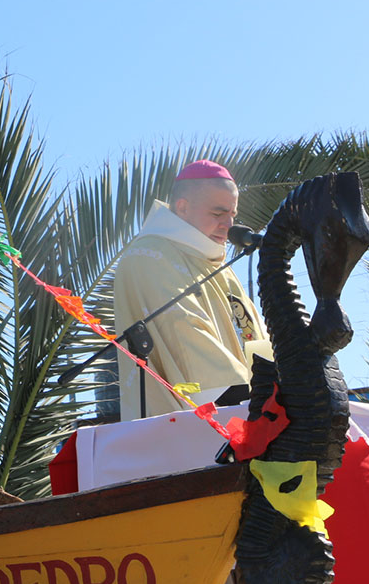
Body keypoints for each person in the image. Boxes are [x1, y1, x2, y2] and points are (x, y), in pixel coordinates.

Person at [114, 159, 271, 420]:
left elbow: (253, 334)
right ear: (183, 208)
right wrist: (248, 399)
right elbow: (182, 328)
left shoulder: (218, 264)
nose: (228, 225)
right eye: (218, 214)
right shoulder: (149, 255)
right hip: (186, 420)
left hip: (251, 409)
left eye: (232, 215)